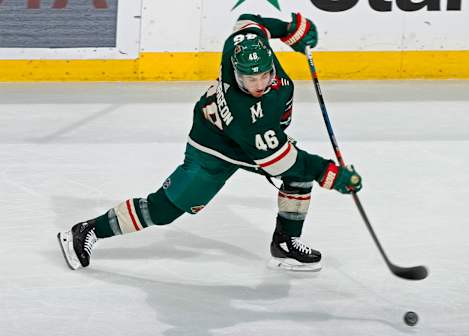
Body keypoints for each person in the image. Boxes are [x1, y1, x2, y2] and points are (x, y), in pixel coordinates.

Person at [57, 12, 362, 272]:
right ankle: (87, 230)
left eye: (262, 77)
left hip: (258, 141)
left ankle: (284, 243)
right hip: (213, 148)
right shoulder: (247, 112)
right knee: (163, 211)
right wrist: (331, 174)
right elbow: (283, 160)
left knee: (298, 177)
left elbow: (249, 21)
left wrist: (289, 30)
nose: (256, 86)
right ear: (236, 75)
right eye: (247, 80)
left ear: (270, 64)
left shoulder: (239, 46)